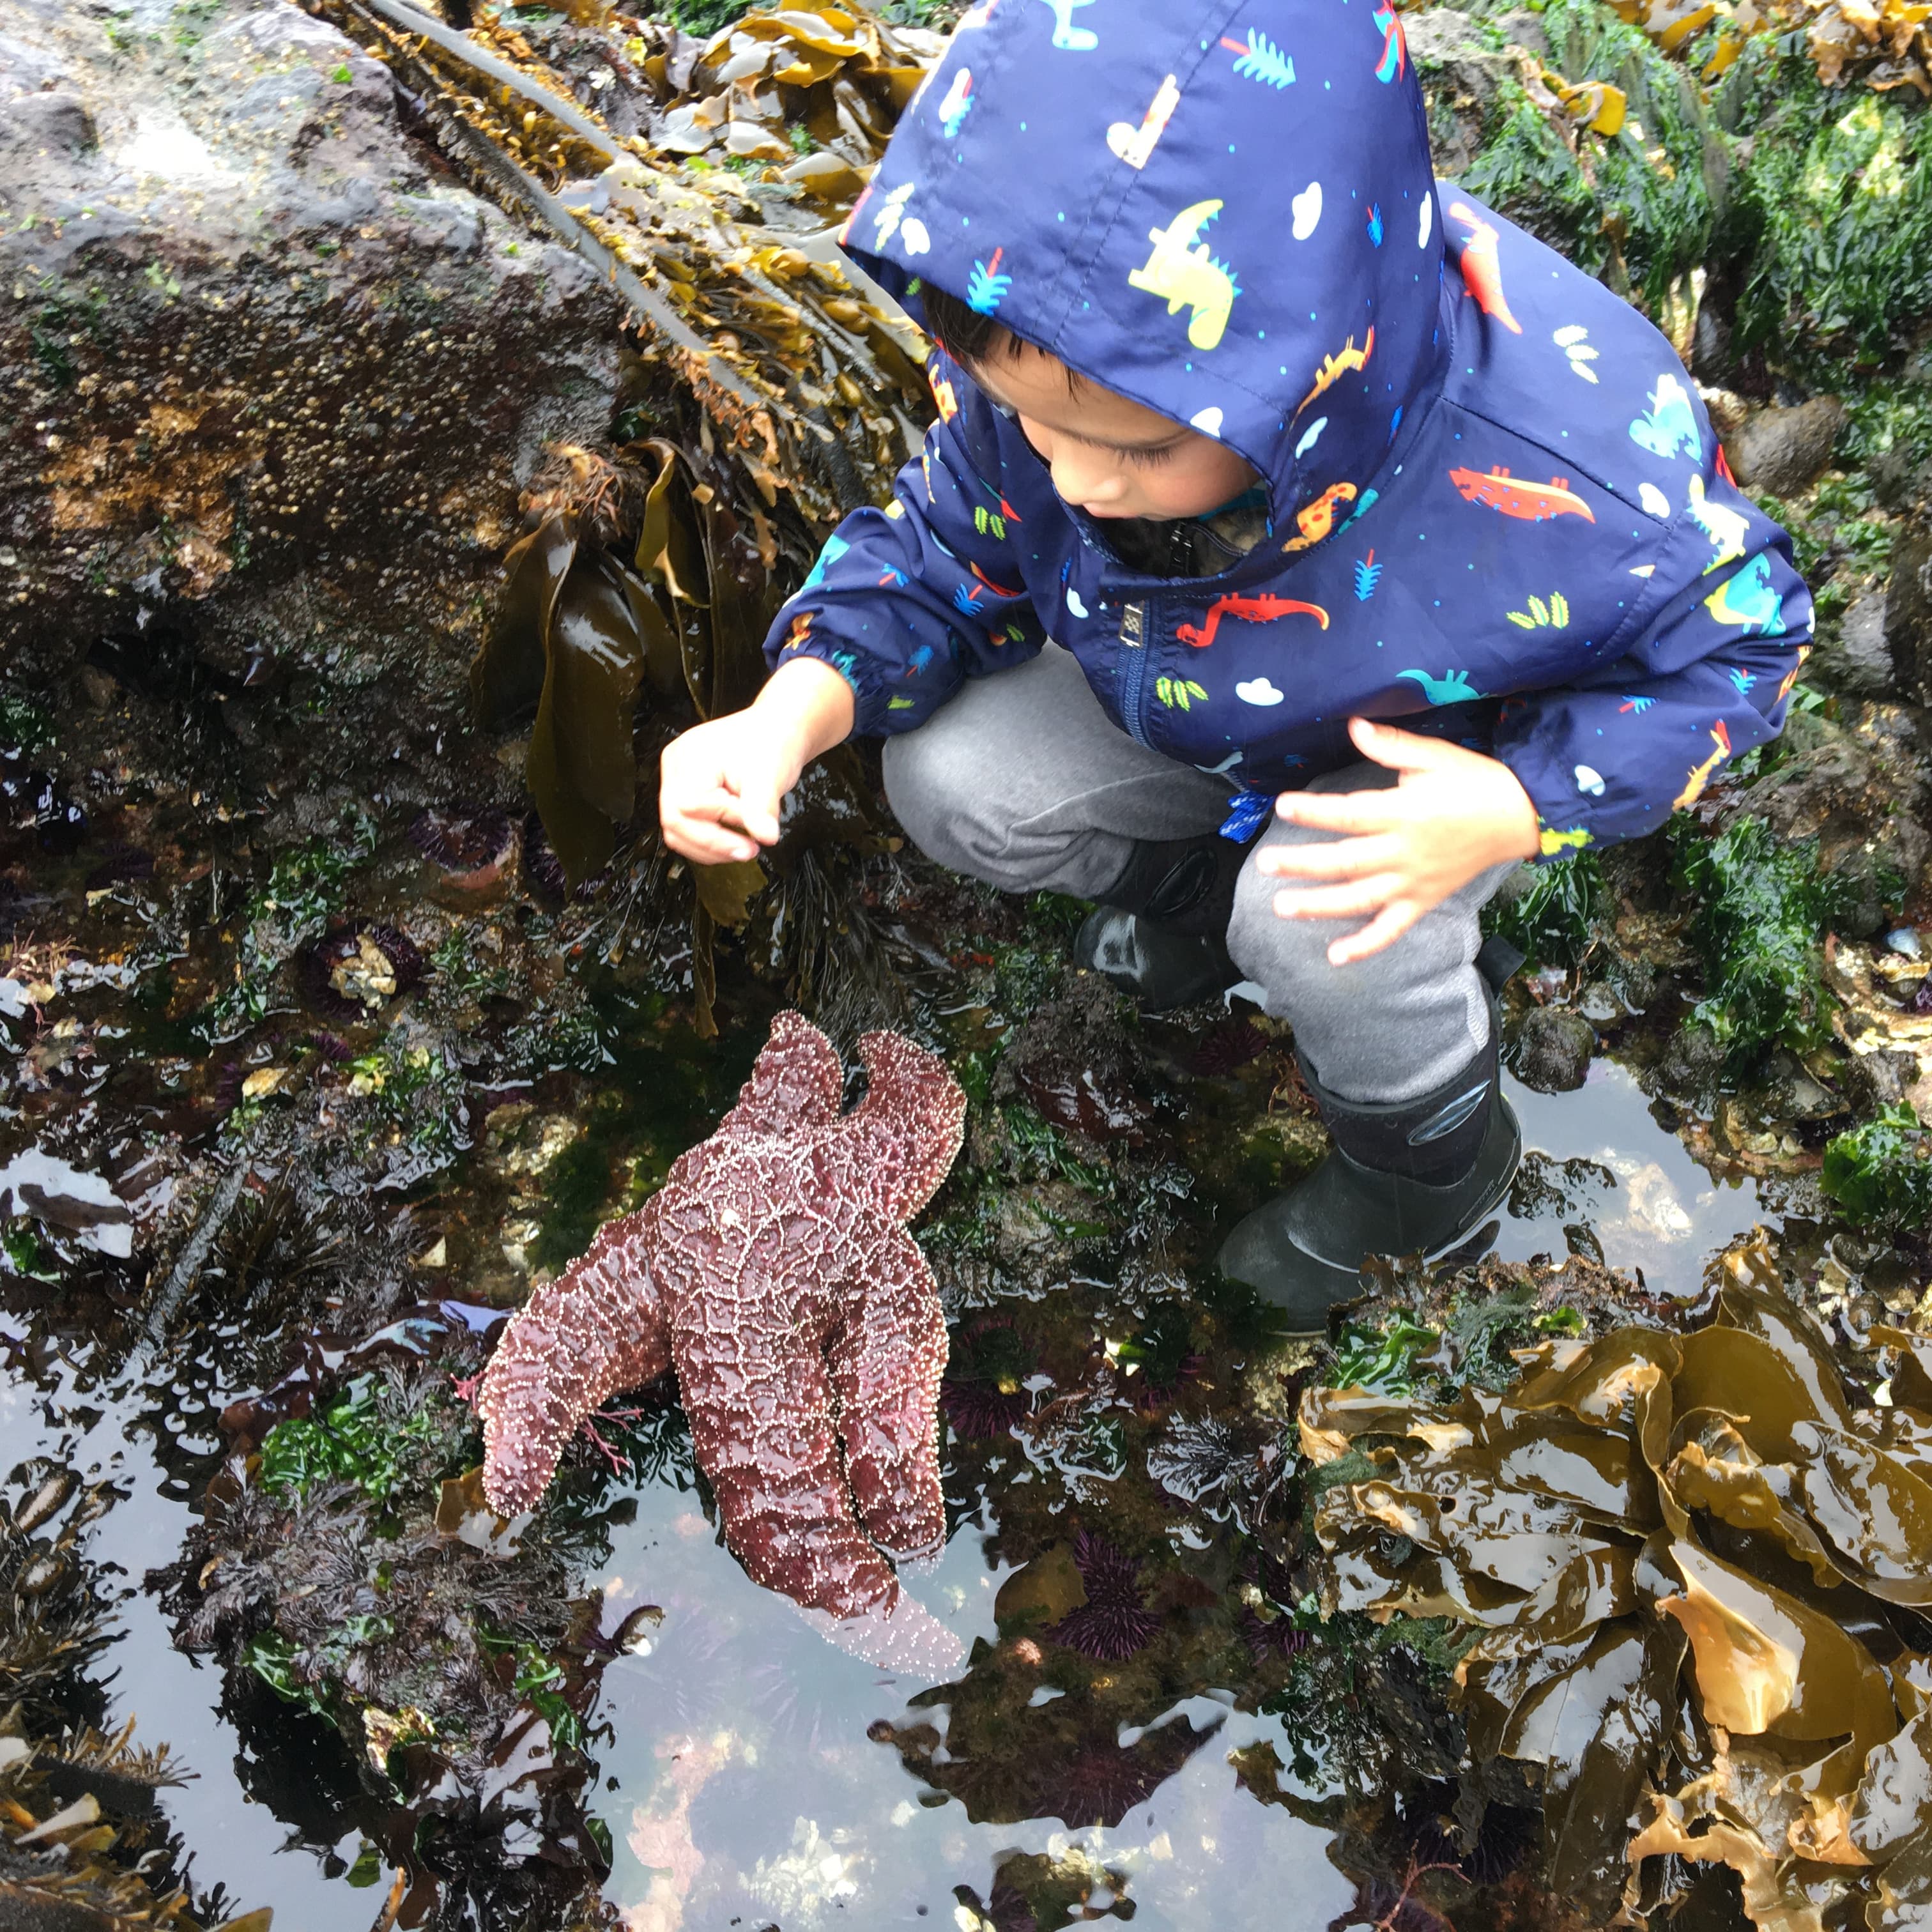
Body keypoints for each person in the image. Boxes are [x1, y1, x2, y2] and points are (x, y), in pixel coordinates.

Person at [657, 0, 1811, 1330]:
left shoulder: (1569, 462)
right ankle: (1206, 897)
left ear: (1307, 372)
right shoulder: (1047, 361)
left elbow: (1751, 640)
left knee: (1316, 918)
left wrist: (1520, 803)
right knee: (953, 777)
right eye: (1035, 427)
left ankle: (1427, 1168)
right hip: (1192, 705)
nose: (1077, 482)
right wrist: (782, 721)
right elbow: (936, 554)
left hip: (1425, 766)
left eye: (1139, 453)